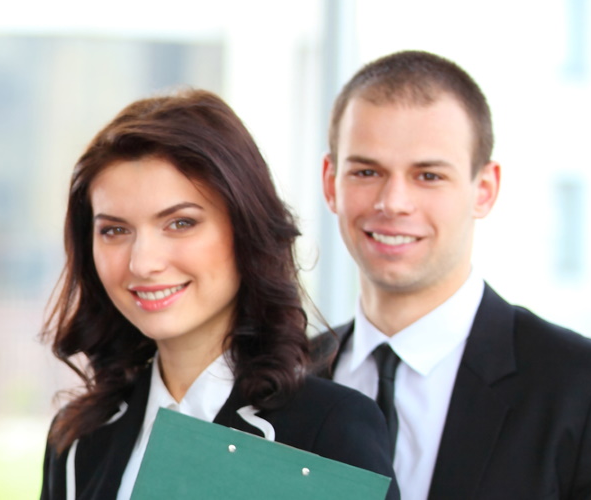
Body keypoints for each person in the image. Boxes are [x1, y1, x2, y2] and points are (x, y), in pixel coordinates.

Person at [310, 50, 591, 499]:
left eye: (428, 176)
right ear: (331, 182)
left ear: (484, 190)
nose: (394, 202)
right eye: (366, 171)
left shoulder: (590, 393)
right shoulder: (281, 381)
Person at [40, 89, 398, 500]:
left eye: (180, 223)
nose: (142, 263)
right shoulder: (79, 439)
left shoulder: (329, 428)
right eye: (115, 230)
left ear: (244, 230)